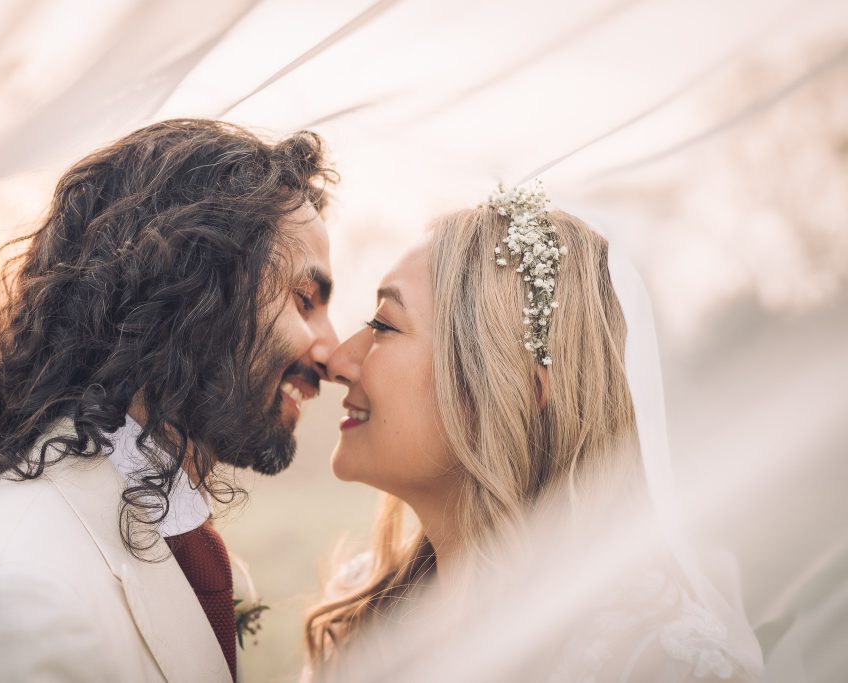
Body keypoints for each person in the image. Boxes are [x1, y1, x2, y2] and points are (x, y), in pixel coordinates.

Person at [0, 119, 339, 683]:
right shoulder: (18, 604)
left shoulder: (151, 527)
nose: (332, 353)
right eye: (305, 298)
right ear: (193, 286)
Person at [305, 182, 763, 681]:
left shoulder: (649, 658)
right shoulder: (362, 613)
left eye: (385, 325)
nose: (337, 361)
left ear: (515, 388)